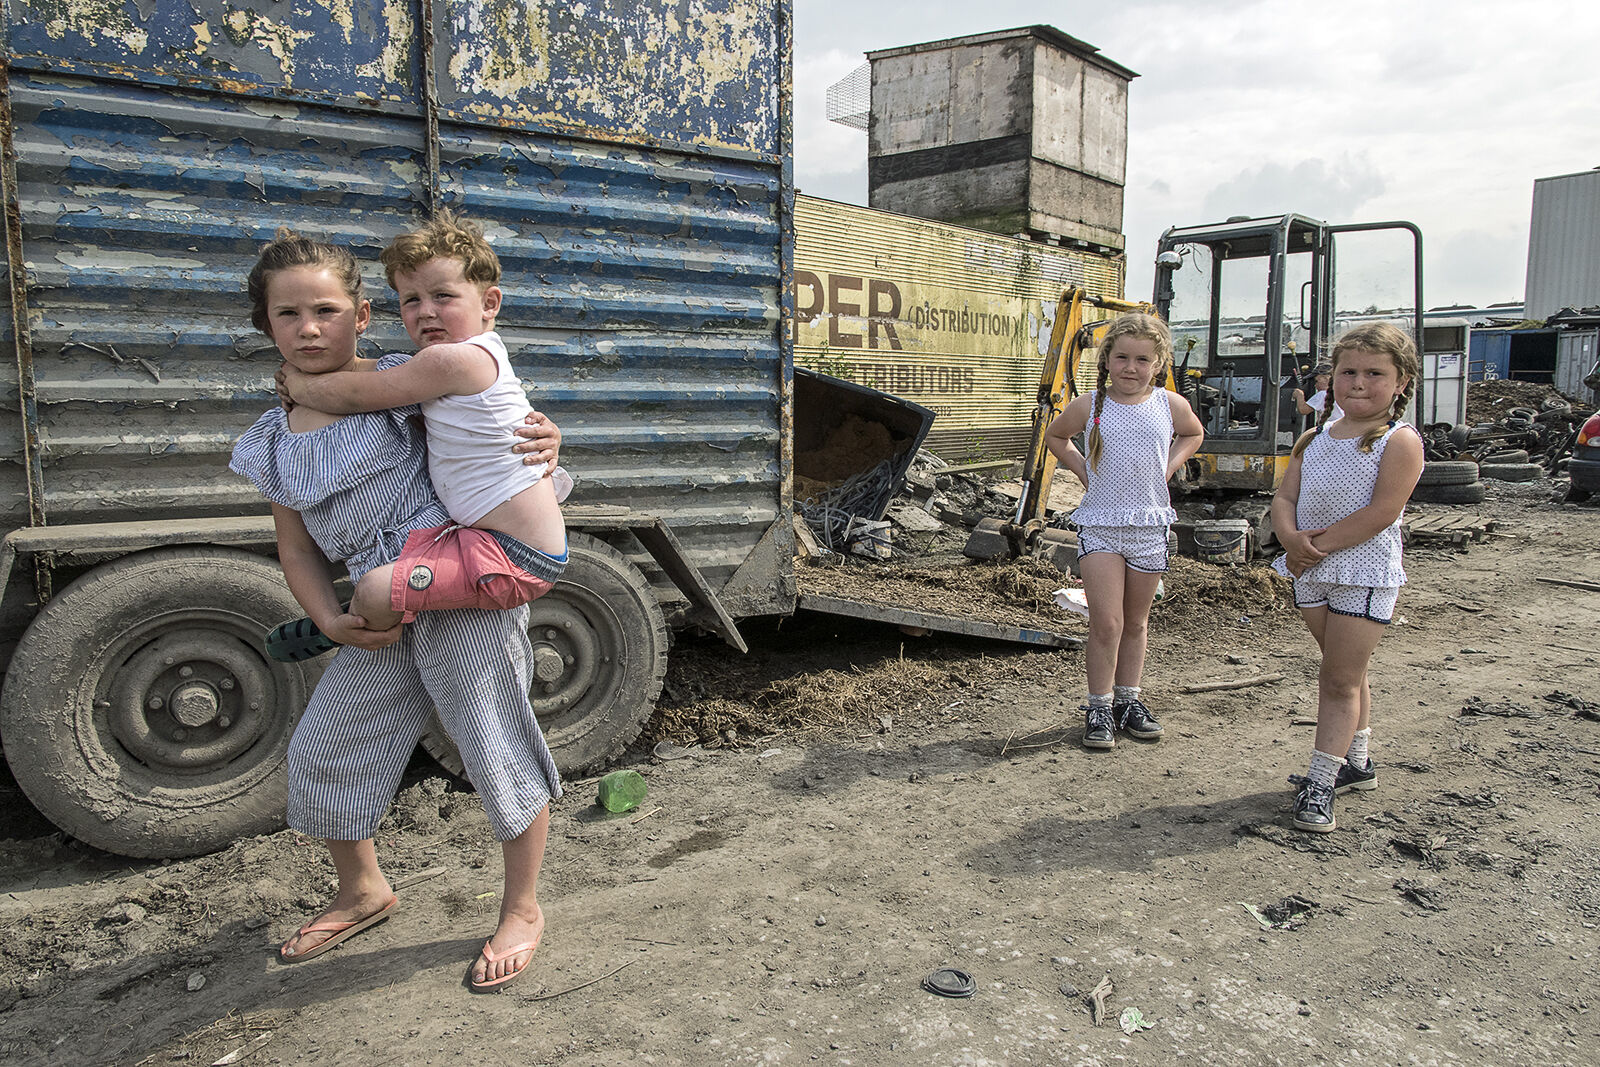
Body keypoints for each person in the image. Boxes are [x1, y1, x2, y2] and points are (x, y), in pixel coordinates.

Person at [230, 228, 558, 990]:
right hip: (372, 620)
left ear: (362, 315)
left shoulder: (402, 380)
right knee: (323, 749)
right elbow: (298, 547)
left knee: (492, 742)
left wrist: (549, 435)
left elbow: (494, 420)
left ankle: (522, 906)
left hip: (455, 588)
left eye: (326, 310)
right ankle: (363, 889)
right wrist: (329, 616)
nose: (309, 329)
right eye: (288, 315)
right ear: (267, 325)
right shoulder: (271, 441)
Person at [267, 209, 568, 659]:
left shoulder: (443, 364)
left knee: (373, 592)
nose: (426, 312)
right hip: (467, 541)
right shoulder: (436, 368)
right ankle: (370, 612)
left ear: (490, 304)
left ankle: (351, 622)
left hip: (507, 553)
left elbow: (356, 394)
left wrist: (298, 381)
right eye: (410, 300)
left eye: (442, 296)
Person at [1270, 322, 1424, 834]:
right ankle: (1356, 763)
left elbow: (1382, 511)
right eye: (1349, 371)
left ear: (1401, 381)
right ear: (1331, 377)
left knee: (1336, 678)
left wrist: (1311, 547)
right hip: (1311, 571)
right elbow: (1286, 497)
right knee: (1346, 671)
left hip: (1362, 571)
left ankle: (1320, 783)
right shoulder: (1314, 438)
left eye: (1375, 373)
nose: (1359, 383)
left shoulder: (1399, 442)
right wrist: (1289, 538)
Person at [1043, 313, 1206, 749]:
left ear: (1159, 362)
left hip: (1150, 526)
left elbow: (1193, 434)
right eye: (1122, 358)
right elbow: (1056, 436)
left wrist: (1169, 466)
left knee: (1135, 621)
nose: (1131, 368)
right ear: (1107, 360)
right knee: (1106, 622)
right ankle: (1099, 705)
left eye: (1142, 359)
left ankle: (1128, 702)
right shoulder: (1091, 405)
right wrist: (1082, 470)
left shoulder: (1169, 404)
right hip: (1100, 526)